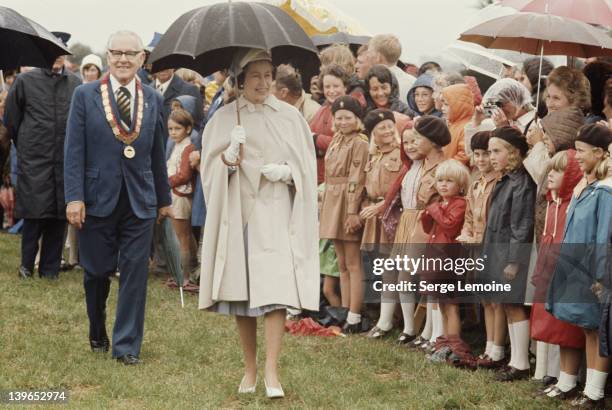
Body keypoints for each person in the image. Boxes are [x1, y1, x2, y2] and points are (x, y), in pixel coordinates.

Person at [198, 49, 318, 398]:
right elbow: (210, 171)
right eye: (256, 75)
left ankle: (272, 371)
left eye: (268, 75)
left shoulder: (290, 118)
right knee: (244, 291)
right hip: (241, 215)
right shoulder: (224, 118)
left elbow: (307, 168)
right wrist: (229, 158)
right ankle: (249, 368)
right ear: (240, 78)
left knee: (276, 291)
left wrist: (288, 173)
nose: (264, 82)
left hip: (277, 213)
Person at [64, 31, 172, 364]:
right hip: (97, 198)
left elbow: (157, 152)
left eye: (130, 53)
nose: (123, 59)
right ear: (108, 56)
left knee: (135, 272)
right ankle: (97, 330)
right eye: (116, 52)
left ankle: (126, 347)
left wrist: (164, 198)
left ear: (142, 58)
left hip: (140, 200)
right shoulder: (85, 95)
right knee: (96, 272)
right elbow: (74, 151)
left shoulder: (153, 98)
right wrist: (74, 197)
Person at [547, 124, 612, 407]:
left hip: (593, 272)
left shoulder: (606, 191)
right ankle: (578, 387)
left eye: (583, 152)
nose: (577, 157)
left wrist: (601, 275)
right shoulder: (586, 186)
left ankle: (595, 393)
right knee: (586, 327)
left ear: (600, 152)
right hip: (575, 268)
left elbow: (604, 236)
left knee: (597, 329)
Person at [5, 42, 81, 279]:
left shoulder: (75, 84)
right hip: (35, 158)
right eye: (51, 53)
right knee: (34, 214)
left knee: (59, 215)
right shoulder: (25, 81)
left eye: (60, 53)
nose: (56, 58)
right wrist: (29, 144)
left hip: (64, 159)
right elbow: (12, 121)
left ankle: (50, 269)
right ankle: (26, 265)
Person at [381, 116, 451, 347]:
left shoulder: (443, 166)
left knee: (420, 278)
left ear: (432, 141)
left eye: (420, 138)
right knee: (406, 275)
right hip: (413, 223)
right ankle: (418, 330)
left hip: (427, 225)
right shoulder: (422, 165)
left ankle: (424, 331)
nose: (414, 142)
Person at [529, 150, 585, 401]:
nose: (550, 174)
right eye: (550, 169)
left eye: (559, 170)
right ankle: (562, 379)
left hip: (567, 274)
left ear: (573, 174)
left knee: (567, 331)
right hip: (550, 273)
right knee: (556, 331)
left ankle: (570, 381)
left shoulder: (573, 205)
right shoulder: (552, 203)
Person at [482, 126, 536, 381]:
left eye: (497, 151)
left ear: (513, 152)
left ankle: (521, 363)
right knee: (504, 304)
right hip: (495, 248)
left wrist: (514, 261)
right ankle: (513, 359)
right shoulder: (504, 179)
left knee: (513, 305)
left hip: (509, 253)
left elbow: (521, 224)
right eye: (490, 151)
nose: (491, 156)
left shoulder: (521, 182)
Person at [319, 95, 369, 334]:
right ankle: (345, 311)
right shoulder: (337, 139)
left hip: (347, 201)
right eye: (338, 118)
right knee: (341, 263)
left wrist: (352, 211)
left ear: (356, 119)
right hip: (332, 199)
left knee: (353, 262)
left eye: (347, 117)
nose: (342, 122)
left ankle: (355, 314)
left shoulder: (359, 142)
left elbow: (357, 178)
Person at [456, 131, 503, 368]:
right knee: (484, 298)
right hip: (475, 246)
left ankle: (497, 349)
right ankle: (488, 345)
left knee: (496, 299)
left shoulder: (499, 183)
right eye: (478, 154)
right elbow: (469, 216)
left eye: (486, 154)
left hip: (491, 247)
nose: (482, 159)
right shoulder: (476, 183)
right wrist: (466, 233)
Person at [420, 159, 470, 364]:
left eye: (449, 181)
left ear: (460, 184)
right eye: (440, 180)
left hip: (449, 259)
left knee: (451, 304)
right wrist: (428, 213)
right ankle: (445, 342)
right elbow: (427, 227)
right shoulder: (441, 204)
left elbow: (450, 226)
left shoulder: (460, 203)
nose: (443, 185)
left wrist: (434, 210)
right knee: (441, 302)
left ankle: (454, 345)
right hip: (436, 257)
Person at [359, 109, 402, 337]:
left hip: (391, 214)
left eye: (389, 126)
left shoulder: (400, 154)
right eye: (380, 128)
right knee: (381, 267)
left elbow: (398, 190)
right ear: (373, 133)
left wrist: (381, 206)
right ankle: (386, 317)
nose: (386, 131)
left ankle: (388, 322)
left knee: (390, 269)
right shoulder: (374, 156)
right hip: (374, 215)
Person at [166, 109, 198, 291]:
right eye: (170, 129)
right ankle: (191, 270)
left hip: (181, 196)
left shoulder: (188, 147)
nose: (173, 132)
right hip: (175, 194)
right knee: (186, 235)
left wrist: (167, 182)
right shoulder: (177, 146)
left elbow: (185, 175)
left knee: (182, 238)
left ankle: (184, 276)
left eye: (177, 128)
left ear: (187, 129)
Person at [368, 34, 416, 105]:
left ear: (378, 56)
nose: (367, 56)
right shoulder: (413, 82)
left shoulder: (373, 83)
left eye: (369, 52)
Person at [154, 68, 204, 132]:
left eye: (167, 62)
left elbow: (198, 126)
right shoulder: (145, 90)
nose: (163, 68)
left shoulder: (190, 90)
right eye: (159, 64)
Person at [440, 84, 474, 165]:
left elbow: (464, 154)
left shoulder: (467, 127)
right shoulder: (453, 123)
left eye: (446, 104)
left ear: (458, 105)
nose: (442, 108)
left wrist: (445, 167)